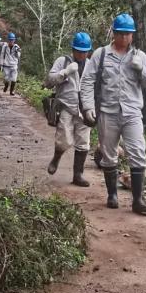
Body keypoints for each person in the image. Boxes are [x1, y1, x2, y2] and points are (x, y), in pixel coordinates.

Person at [79, 13, 146, 214]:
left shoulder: (140, 56)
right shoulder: (101, 54)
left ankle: (137, 199)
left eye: (128, 34)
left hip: (131, 112)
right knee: (109, 154)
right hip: (108, 112)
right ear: (114, 33)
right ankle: (112, 194)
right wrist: (88, 107)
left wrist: (141, 70)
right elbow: (87, 81)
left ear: (133, 36)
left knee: (138, 152)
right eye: (120, 34)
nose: (124, 38)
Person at [44, 32, 94, 187]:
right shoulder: (62, 61)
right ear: (73, 49)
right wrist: (64, 73)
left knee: (83, 142)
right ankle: (56, 157)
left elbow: (96, 86)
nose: (81, 54)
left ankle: (77, 175)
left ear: (88, 51)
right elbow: (48, 81)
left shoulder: (92, 65)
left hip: (84, 108)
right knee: (63, 140)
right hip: (65, 106)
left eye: (84, 51)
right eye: (78, 50)